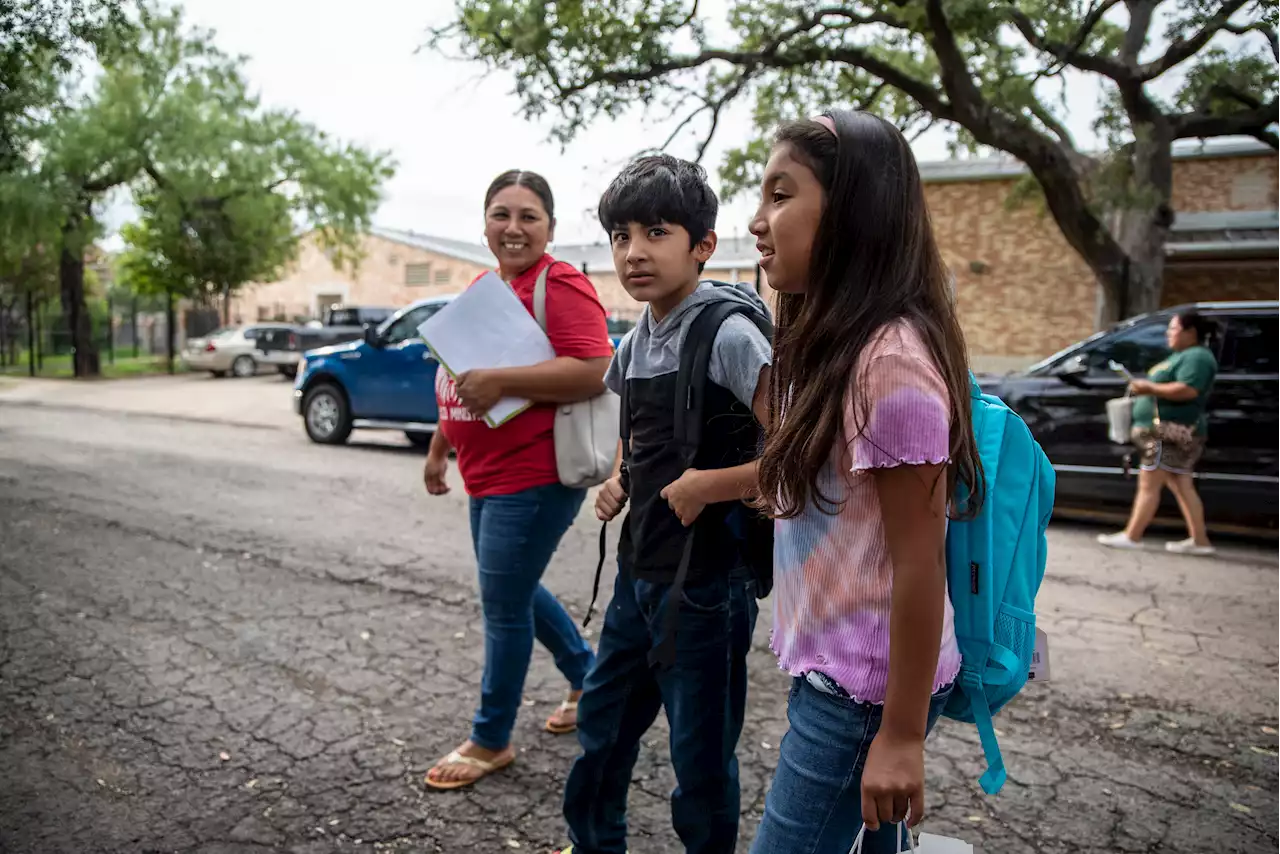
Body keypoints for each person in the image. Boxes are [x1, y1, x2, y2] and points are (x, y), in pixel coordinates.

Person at [746, 111, 983, 854]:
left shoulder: (890, 362)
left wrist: (902, 735)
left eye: (781, 195)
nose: (757, 222)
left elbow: (921, 558)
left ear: (853, 213)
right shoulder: (838, 346)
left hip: (863, 690)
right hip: (848, 672)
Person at [557, 155, 772, 854]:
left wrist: (711, 484)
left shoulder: (731, 335)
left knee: (701, 768)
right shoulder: (634, 343)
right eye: (621, 235)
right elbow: (639, 442)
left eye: (656, 231)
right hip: (638, 578)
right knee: (600, 737)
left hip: (709, 587)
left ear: (703, 245)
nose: (634, 251)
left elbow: (805, 455)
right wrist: (619, 479)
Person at [422, 169, 613, 790]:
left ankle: (490, 738)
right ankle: (588, 678)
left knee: (503, 604)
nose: (514, 227)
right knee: (515, 591)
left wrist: (504, 383)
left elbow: (593, 369)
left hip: (534, 478)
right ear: (484, 225)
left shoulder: (559, 284)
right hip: (485, 474)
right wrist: (438, 448)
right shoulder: (485, 287)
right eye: (501, 214)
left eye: (528, 216)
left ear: (550, 228)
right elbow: (459, 378)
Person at [1097, 311, 1219, 555]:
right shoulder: (1184, 356)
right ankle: (1200, 540)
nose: (1168, 333)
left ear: (1190, 332)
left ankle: (1132, 535)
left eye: (1173, 328)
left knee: (1149, 481)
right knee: (1180, 483)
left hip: (1171, 430)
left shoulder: (1197, 357)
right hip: (1175, 430)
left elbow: (1187, 390)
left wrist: (1148, 387)